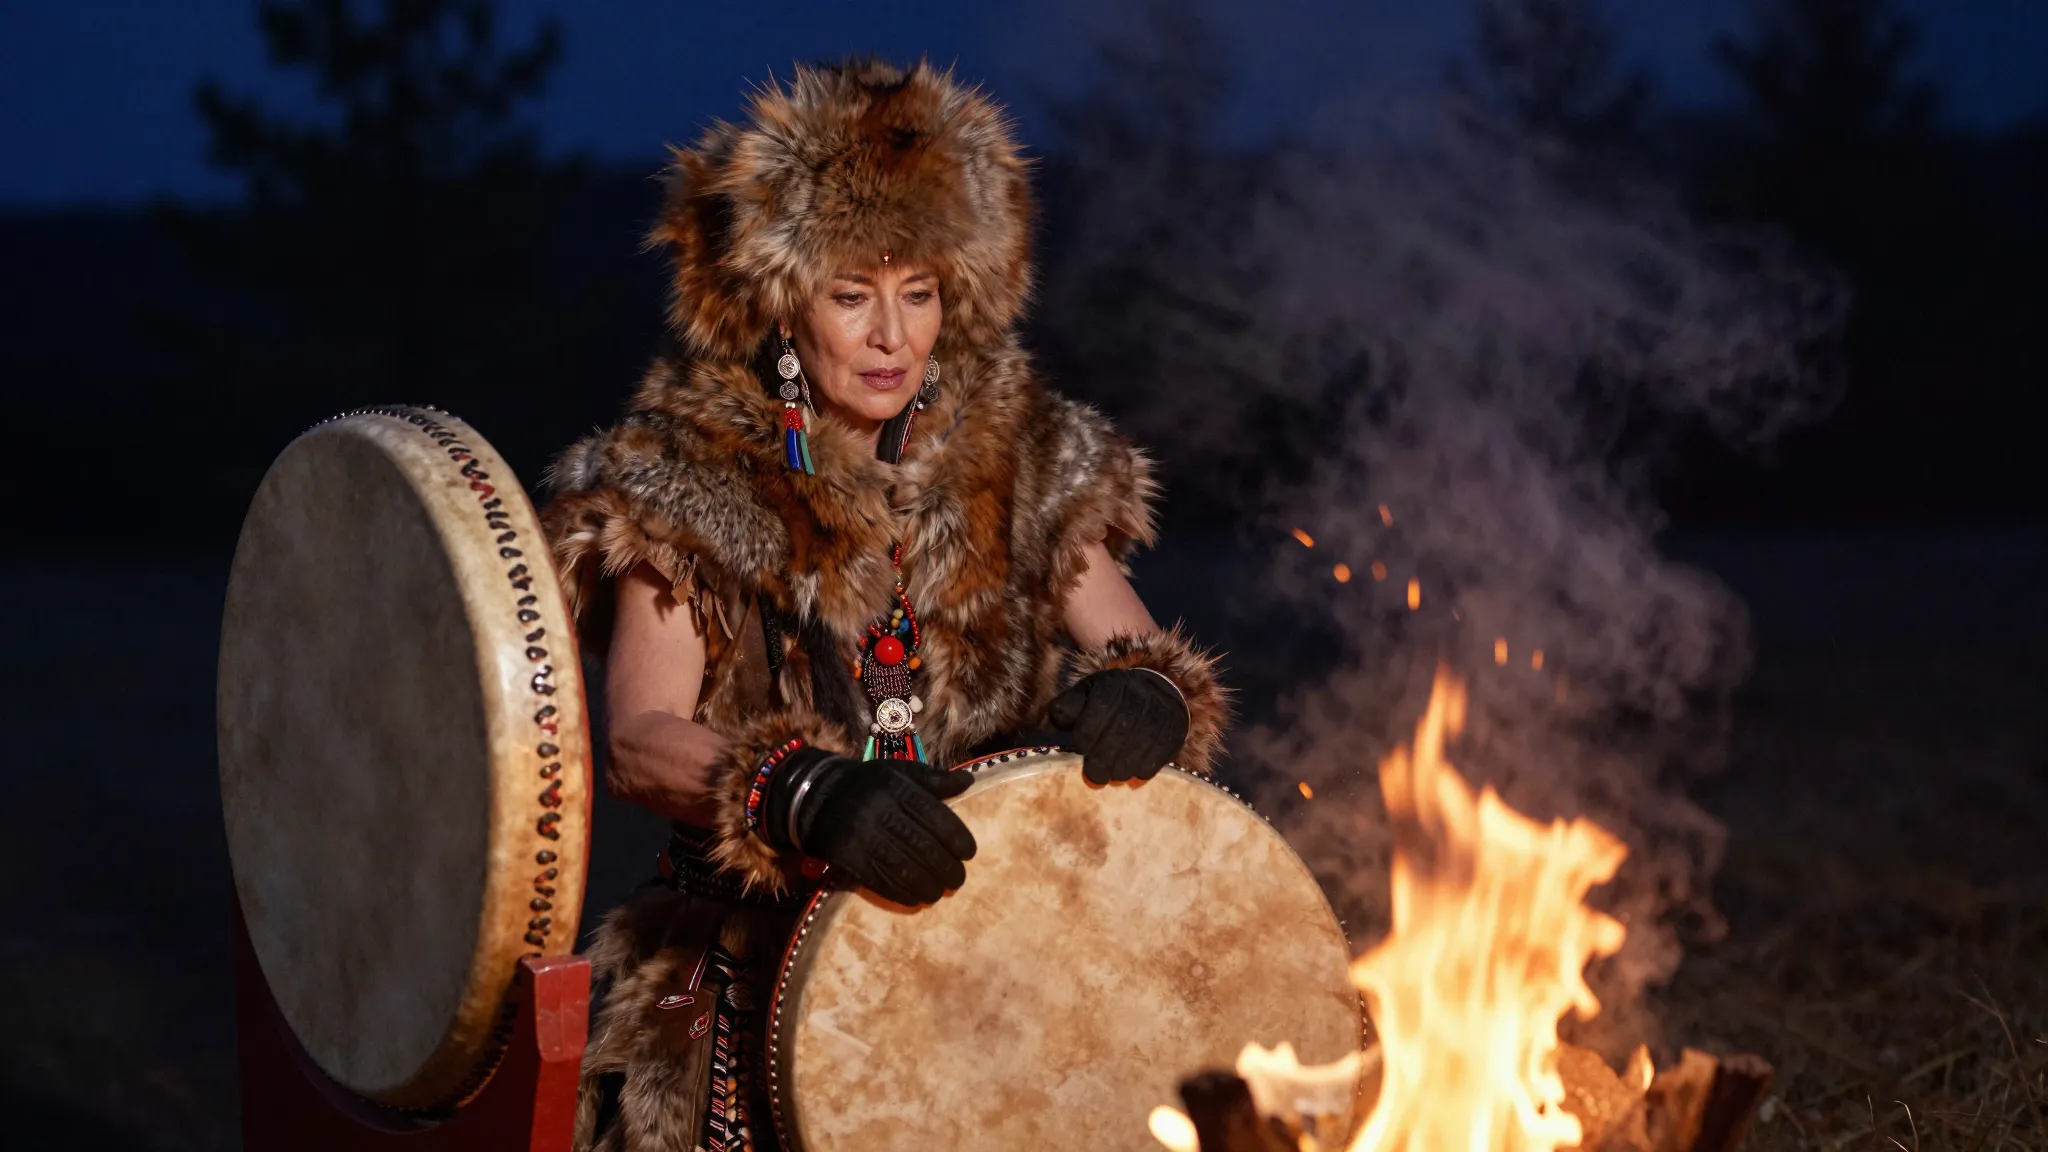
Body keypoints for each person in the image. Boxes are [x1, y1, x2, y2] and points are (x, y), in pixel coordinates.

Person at [541, 58, 1228, 1151]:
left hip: (993, 973)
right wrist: (804, 792)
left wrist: (1148, 696)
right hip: (746, 983)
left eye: (918, 294)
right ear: (780, 303)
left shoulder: (1022, 453)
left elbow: (1146, 652)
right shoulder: (683, 473)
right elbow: (635, 741)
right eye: (851, 295)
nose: (891, 337)